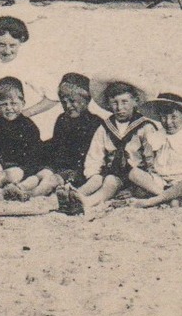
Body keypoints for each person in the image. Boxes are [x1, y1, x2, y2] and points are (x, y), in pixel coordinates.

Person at [0, 73, 104, 201]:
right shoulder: (62, 119)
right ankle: (19, 188)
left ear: (86, 100)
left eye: (73, 101)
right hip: (59, 164)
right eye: (64, 102)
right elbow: (56, 144)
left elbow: (94, 155)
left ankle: (31, 195)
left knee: (52, 180)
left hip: (78, 169)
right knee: (42, 173)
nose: (68, 106)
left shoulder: (94, 123)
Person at [58, 81, 154, 216]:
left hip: (138, 177)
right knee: (103, 180)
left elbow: (152, 159)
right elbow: (95, 156)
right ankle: (75, 196)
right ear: (109, 104)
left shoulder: (145, 127)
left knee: (115, 183)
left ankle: (88, 201)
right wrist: (94, 175)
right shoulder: (105, 127)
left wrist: (137, 187)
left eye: (125, 102)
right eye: (115, 103)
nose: (120, 107)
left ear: (135, 101)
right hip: (114, 174)